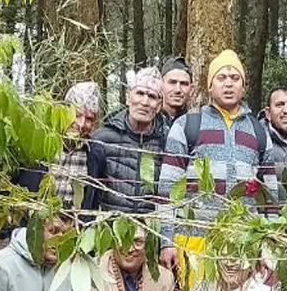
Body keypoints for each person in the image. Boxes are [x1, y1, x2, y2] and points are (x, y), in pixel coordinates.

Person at [161, 54, 281, 282]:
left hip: (243, 246)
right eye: (221, 77)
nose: (228, 83)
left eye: (235, 78)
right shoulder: (188, 125)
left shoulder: (259, 132)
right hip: (193, 245)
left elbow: (271, 199)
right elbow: (167, 190)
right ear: (209, 85)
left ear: (243, 86)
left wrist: (269, 246)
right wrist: (166, 241)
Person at [85, 68, 170, 221]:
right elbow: (89, 195)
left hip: (148, 232)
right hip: (109, 231)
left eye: (151, 96)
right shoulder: (102, 138)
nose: (144, 102)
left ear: (158, 106)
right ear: (128, 97)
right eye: (140, 93)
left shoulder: (166, 143)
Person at [48, 83, 104, 219]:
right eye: (77, 115)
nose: (81, 124)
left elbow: (94, 200)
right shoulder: (46, 143)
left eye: (89, 119)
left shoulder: (95, 154)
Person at [159, 62, 196, 129]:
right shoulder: (148, 121)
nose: (177, 90)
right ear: (161, 85)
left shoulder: (198, 124)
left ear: (191, 90)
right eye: (172, 82)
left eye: (183, 84)